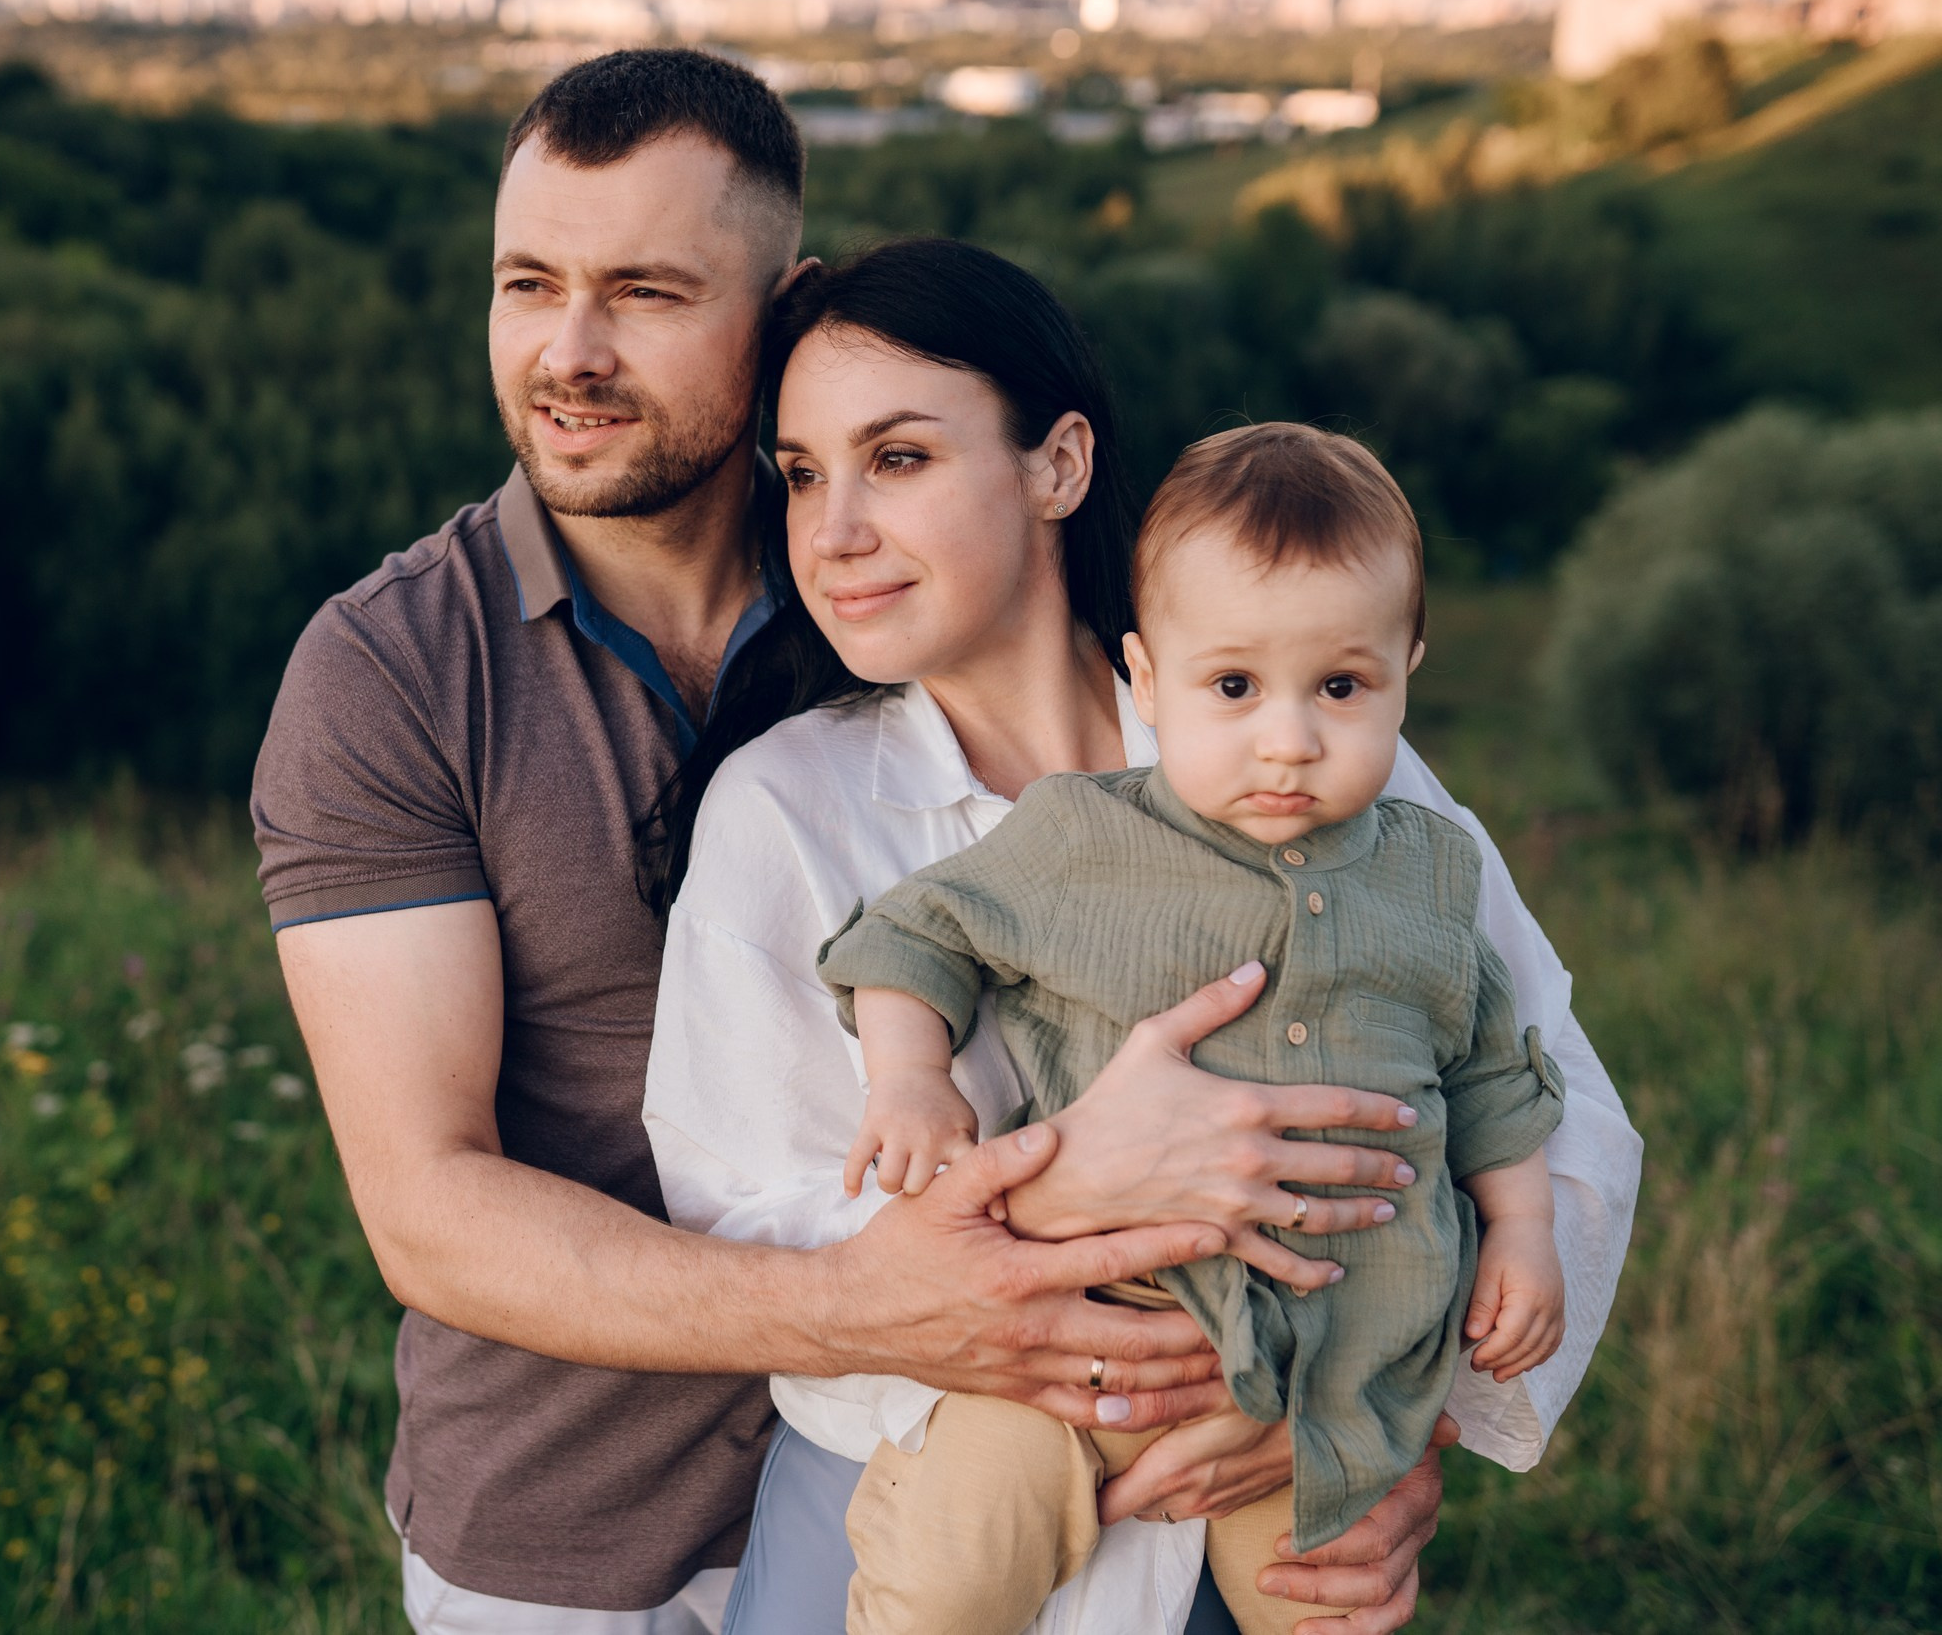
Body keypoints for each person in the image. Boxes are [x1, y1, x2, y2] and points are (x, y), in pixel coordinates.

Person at [255, 50, 1572, 1635]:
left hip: (1083, 1491)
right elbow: (432, 1208)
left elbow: (1529, 1077)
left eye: (648, 290)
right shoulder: (407, 674)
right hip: (599, 1513)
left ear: (777, 306)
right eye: (526, 282)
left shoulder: (1235, 726)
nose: (571, 349)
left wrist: (1374, 1411)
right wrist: (1071, 1198)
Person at [641, 241, 1643, 1635]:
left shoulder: (1304, 749)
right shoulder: (785, 809)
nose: (836, 528)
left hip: (1239, 1532)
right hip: (915, 1519)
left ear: (1059, 464)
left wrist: (1387, 1419)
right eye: (804, 473)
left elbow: (1554, 1106)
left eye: (901, 459)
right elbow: (746, 1216)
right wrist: (1064, 1191)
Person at [816, 420, 1571, 1635]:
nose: (1289, 738)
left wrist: (1524, 1230)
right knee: (949, 1585)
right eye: (1233, 687)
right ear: (1148, 678)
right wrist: (909, 1076)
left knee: (1326, 1608)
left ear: (1405, 668)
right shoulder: (1083, 837)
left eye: (1340, 686)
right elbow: (916, 931)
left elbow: (1489, 1066)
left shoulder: (1431, 872)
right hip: (1082, 1343)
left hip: (1323, 1381)